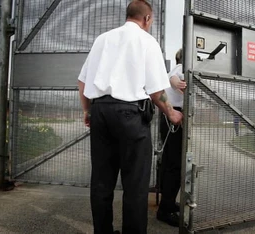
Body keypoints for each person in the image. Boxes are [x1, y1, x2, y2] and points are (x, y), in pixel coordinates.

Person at [77, 1, 183, 234]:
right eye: (151, 20)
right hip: (130, 115)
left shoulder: (102, 39)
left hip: (100, 112)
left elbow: (82, 82)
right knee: (135, 183)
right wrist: (172, 112)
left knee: (102, 181)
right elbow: (156, 91)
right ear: (146, 19)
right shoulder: (147, 41)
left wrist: (87, 111)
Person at [157, 49, 186, 227]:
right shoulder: (181, 67)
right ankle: (165, 211)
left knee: (170, 164)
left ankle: (166, 203)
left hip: (170, 116)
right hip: (173, 116)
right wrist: (180, 85)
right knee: (174, 166)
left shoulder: (177, 67)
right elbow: (173, 80)